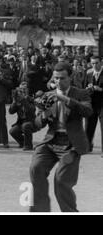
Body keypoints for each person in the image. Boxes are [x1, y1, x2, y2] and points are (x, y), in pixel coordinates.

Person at [29, 62, 93, 212]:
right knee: (35, 168)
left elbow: (88, 111)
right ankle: (40, 210)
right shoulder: (47, 96)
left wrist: (66, 99)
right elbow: (37, 124)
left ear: (70, 77)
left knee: (61, 181)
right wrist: (44, 114)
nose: (59, 81)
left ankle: (69, 211)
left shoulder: (81, 93)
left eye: (62, 78)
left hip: (72, 144)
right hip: (51, 141)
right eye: (56, 78)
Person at [8, 82, 37, 151]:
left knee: (26, 126)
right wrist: (14, 102)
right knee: (12, 131)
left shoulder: (30, 99)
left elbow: (31, 110)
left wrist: (24, 100)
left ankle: (28, 146)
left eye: (24, 89)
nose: (22, 91)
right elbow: (11, 112)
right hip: (21, 122)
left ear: (27, 90)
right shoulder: (18, 99)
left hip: (32, 122)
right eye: (21, 89)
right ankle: (23, 143)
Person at [84, 56, 103, 154]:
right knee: (88, 126)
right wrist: (88, 88)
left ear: (101, 62)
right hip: (91, 104)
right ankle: (87, 147)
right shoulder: (88, 73)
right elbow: (84, 89)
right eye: (92, 63)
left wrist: (100, 89)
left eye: (96, 63)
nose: (94, 65)